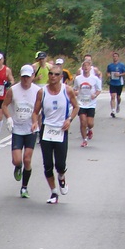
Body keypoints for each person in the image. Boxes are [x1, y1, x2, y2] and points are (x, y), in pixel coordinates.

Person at [33, 67, 79, 205]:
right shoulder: (42, 92)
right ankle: (53, 192)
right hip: (46, 129)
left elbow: (76, 107)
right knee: (47, 164)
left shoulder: (67, 90)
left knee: (60, 164)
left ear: (61, 77)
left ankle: (61, 177)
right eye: (51, 74)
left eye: (56, 74)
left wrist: (69, 119)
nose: (53, 76)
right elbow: (35, 111)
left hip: (61, 129)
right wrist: (35, 122)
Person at [1, 64, 42, 199]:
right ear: (20, 77)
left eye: (28, 77)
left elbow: (40, 109)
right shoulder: (13, 90)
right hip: (17, 128)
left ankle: (24, 187)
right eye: (23, 77)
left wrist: (37, 122)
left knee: (27, 159)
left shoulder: (38, 91)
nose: (25, 80)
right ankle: (18, 167)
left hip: (31, 128)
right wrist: (9, 118)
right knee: (17, 160)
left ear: (33, 77)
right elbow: (4, 105)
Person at [72, 55, 103, 146]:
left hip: (91, 103)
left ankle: (89, 129)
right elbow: (74, 89)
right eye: (84, 66)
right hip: (81, 103)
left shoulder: (94, 79)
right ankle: (84, 140)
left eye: (87, 66)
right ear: (82, 68)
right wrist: (76, 92)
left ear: (90, 68)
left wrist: (95, 95)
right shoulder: (78, 79)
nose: (86, 68)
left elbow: (99, 89)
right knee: (82, 121)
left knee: (90, 123)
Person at [107, 52, 125, 117]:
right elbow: (108, 72)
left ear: (118, 57)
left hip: (119, 83)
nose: (115, 57)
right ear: (112, 57)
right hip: (112, 83)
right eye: (114, 56)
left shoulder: (121, 65)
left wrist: (120, 74)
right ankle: (113, 111)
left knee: (118, 97)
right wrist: (109, 75)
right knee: (112, 96)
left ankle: (118, 104)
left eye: (116, 56)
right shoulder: (110, 65)